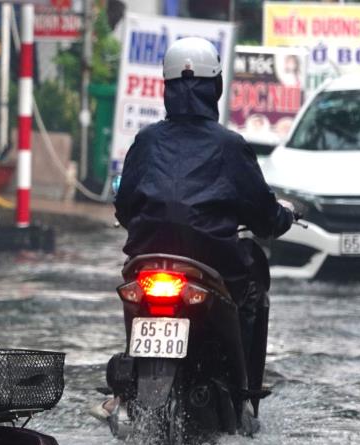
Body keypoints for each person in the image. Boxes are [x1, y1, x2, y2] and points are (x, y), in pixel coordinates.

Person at [105, 37, 295, 417]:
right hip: (213, 267)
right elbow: (263, 215)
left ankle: (125, 392)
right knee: (254, 286)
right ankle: (245, 395)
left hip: (145, 262)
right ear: (216, 88)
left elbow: (124, 207)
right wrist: (284, 216)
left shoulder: (145, 141)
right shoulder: (231, 146)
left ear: (166, 88)